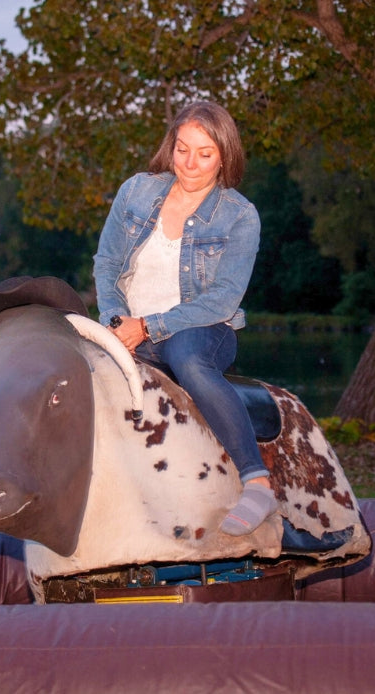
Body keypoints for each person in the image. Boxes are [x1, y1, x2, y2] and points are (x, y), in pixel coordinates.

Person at [93, 100, 277, 536]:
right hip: (130, 328)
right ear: (170, 147)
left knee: (187, 355)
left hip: (203, 330)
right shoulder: (136, 191)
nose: (190, 163)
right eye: (182, 149)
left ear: (225, 156)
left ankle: (258, 483)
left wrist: (147, 327)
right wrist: (118, 322)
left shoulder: (239, 216)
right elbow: (106, 262)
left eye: (205, 153)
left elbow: (222, 299)